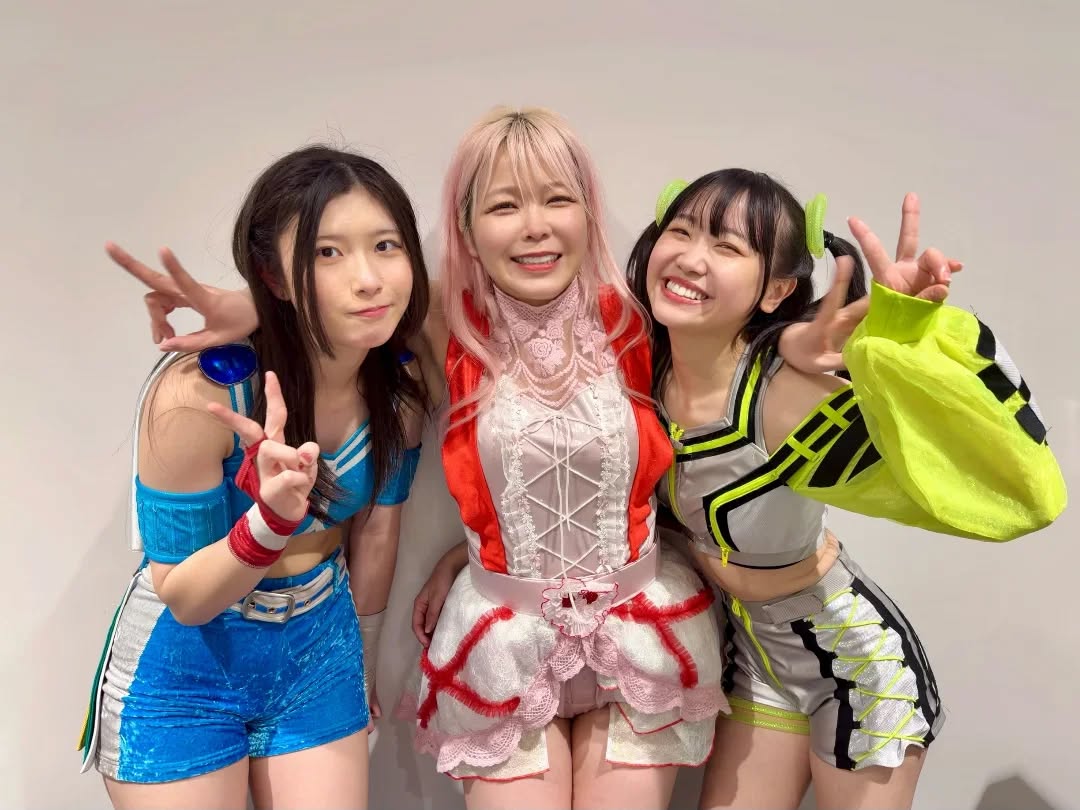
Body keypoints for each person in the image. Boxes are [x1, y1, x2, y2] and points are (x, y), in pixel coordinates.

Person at [624, 170, 1067, 809]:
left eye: (726, 246)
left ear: (775, 290)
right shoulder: (643, 367)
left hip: (856, 665)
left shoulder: (787, 397)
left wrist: (905, 339)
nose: (692, 258)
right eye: (683, 231)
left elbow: (1008, 490)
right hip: (755, 657)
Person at [78, 145, 429, 810]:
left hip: (319, 647)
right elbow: (185, 597)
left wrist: (361, 663)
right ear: (275, 275)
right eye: (327, 253)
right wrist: (268, 524)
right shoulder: (200, 398)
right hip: (184, 668)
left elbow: (378, 536)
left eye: (386, 245)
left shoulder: (400, 392)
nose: (368, 278)